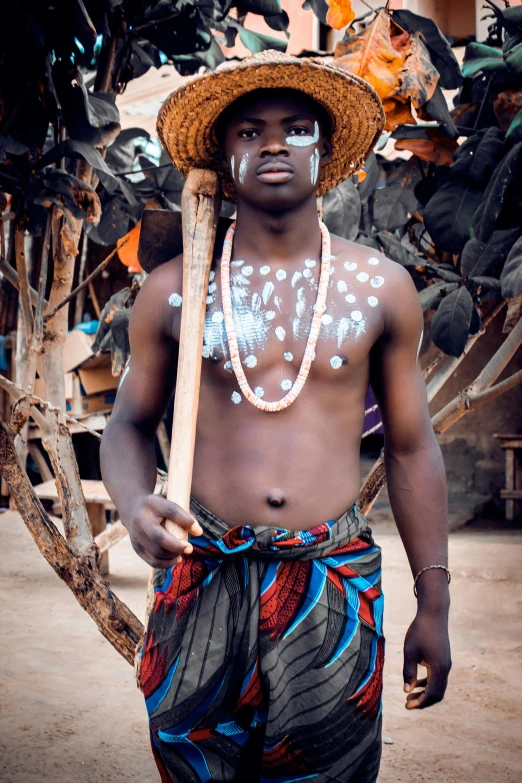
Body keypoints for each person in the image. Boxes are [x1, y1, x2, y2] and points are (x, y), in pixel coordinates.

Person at [101, 51, 451, 783]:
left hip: (330, 584)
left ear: (324, 154)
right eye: (249, 131)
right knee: (196, 767)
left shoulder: (378, 289)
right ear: (223, 156)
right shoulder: (173, 292)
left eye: (296, 129)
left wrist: (435, 601)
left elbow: (413, 449)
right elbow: (129, 424)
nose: (272, 144)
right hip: (202, 575)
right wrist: (135, 506)